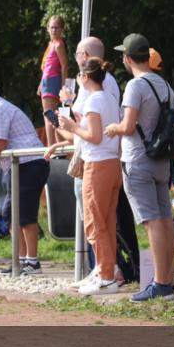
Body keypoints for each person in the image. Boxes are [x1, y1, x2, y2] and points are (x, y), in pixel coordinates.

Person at [105, 34, 174, 302]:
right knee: (164, 220)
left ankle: (159, 283)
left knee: (151, 222)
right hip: (161, 160)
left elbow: (127, 126)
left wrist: (112, 128)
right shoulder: (165, 85)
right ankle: (168, 280)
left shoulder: (135, 86)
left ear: (127, 58)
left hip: (138, 159)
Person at [57, 36, 130, 287]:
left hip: (98, 164)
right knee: (106, 220)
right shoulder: (108, 97)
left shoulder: (94, 99)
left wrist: (72, 126)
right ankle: (105, 271)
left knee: (94, 221)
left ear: (86, 77)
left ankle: (106, 273)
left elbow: (94, 136)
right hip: (110, 163)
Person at [0, 74, 49, 274]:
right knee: (10, 211)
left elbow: (0, 143)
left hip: (28, 164)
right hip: (21, 165)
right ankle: (22, 259)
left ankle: (32, 261)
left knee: (24, 213)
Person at [38, 15, 69, 145]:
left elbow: (64, 66)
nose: (54, 30)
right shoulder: (51, 44)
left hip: (52, 80)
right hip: (47, 80)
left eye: (57, 28)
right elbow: (46, 67)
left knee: (49, 114)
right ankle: (56, 143)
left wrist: (63, 84)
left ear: (62, 30)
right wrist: (41, 84)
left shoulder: (58, 44)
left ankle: (51, 145)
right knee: (52, 114)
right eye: (52, 27)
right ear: (47, 28)